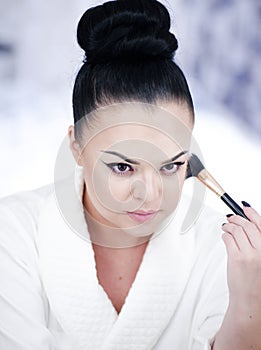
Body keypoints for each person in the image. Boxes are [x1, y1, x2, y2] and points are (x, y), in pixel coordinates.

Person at [0, 0, 261, 349]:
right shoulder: (13, 230)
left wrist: (249, 299)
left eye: (171, 166)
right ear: (76, 146)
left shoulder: (222, 248)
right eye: (123, 167)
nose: (151, 195)